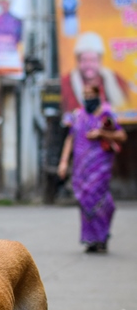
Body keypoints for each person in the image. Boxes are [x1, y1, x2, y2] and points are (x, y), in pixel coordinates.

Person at [57, 85, 127, 253]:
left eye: (91, 94)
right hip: (81, 168)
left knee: (101, 201)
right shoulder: (78, 116)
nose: (88, 97)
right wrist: (64, 162)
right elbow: (70, 139)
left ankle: (102, 237)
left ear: (98, 95)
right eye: (85, 94)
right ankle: (91, 240)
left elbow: (121, 135)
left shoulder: (106, 116)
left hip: (100, 167)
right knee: (85, 200)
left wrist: (102, 133)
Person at [61, 32, 129, 113]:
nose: (89, 65)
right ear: (77, 61)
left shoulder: (115, 80)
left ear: (100, 61)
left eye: (93, 60)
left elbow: (127, 107)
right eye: (84, 60)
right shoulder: (66, 83)